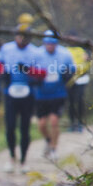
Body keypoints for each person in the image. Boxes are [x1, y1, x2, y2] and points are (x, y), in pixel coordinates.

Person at [0, 28, 44, 173]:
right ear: (15, 36)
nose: (21, 39)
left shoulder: (35, 52)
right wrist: (3, 72)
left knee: (24, 128)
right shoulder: (6, 49)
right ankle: (12, 157)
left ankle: (24, 160)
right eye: (19, 36)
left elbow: (43, 73)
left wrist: (28, 70)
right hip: (10, 93)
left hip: (28, 93)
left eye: (24, 37)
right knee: (10, 126)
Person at [32, 31, 76, 159]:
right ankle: (48, 140)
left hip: (58, 93)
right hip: (41, 93)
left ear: (56, 44)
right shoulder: (37, 54)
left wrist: (66, 76)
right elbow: (30, 71)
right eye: (48, 44)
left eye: (53, 44)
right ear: (44, 43)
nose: (50, 46)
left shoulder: (65, 54)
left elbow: (72, 72)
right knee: (41, 124)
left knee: (54, 121)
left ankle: (54, 148)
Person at [66, 40, 90, 132]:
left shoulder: (81, 50)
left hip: (81, 78)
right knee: (71, 102)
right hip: (70, 79)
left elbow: (87, 63)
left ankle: (80, 123)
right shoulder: (66, 50)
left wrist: (88, 60)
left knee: (80, 100)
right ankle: (72, 123)